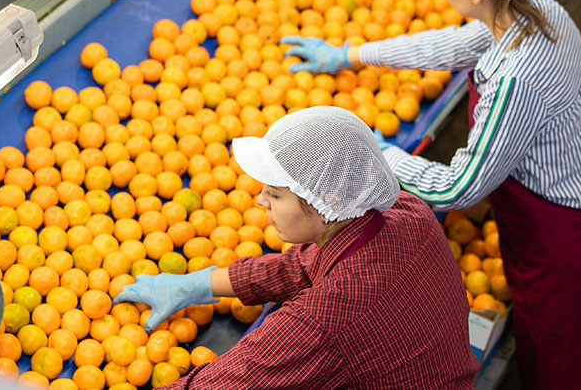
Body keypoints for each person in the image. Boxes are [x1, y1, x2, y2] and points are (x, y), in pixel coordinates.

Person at [282, 0, 581, 389]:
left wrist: (382, 157)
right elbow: (452, 47)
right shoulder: (540, 12)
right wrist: (350, 55)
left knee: (566, 373)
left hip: (575, 252)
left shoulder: (514, 82)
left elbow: (459, 187)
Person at [113, 106, 479, 389]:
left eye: (273, 193)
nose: (260, 201)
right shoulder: (404, 211)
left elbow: (234, 379)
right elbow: (303, 267)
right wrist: (198, 284)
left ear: (327, 200)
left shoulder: (326, 320)